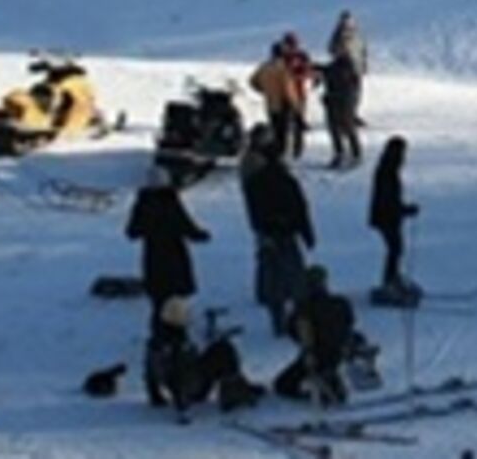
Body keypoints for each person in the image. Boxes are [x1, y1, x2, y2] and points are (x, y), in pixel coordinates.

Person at [143, 296, 263, 418]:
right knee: (223, 349)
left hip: (186, 384)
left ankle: (238, 385)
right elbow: (178, 374)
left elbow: (150, 372)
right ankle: (233, 393)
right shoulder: (175, 344)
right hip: (192, 387)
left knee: (217, 350)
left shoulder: (156, 341)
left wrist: (155, 396)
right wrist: (182, 405)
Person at [242, 146, 315, 336]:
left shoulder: (254, 183)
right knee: (295, 277)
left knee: (273, 279)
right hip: (288, 233)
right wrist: (307, 233)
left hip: (268, 235)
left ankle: (278, 321)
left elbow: (253, 211)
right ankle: (301, 321)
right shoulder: (288, 181)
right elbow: (301, 208)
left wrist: (260, 230)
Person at [126, 166, 212, 324]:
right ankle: (177, 329)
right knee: (176, 296)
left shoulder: (142, 203)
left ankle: (159, 332)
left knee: (159, 299)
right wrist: (200, 235)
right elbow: (184, 224)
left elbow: (132, 232)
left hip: (153, 257)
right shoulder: (170, 200)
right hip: (175, 255)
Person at [272, 265, 362, 405]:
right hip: (340, 352)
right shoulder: (340, 303)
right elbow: (350, 323)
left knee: (282, 385)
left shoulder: (304, 309)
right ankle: (329, 378)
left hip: (315, 354)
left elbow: (297, 333)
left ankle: (324, 386)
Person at [367, 137, 419, 298]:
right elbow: (388, 200)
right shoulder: (387, 171)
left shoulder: (389, 168)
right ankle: (389, 282)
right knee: (395, 249)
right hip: (386, 217)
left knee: (396, 248)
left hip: (388, 216)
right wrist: (404, 210)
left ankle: (392, 278)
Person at [250, 38, 309, 160]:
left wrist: (264, 90)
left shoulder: (264, 67)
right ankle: (280, 157)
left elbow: (253, 81)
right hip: (283, 104)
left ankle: (275, 155)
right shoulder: (283, 69)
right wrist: (296, 106)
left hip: (270, 103)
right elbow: (289, 90)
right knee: (283, 133)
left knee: (274, 129)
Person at [320, 50, 363, 168]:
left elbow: (327, 72)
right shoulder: (348, 69)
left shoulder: (340, 69)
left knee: (340, 129)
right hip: (342, 103)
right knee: (343, 129)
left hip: (339, 102)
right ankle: (351, 153)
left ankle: (347, 154)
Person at [328, 11, 368, 82]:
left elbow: (332, 48)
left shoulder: (342, 31)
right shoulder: (354, 32)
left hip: (348, 63)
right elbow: (363, 50)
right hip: (351, 63)